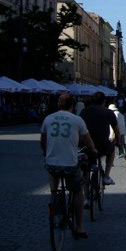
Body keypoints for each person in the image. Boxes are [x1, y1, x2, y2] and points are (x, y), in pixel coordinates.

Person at [40, 93, 97, 239]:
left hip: (51, 163)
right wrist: (94, 151)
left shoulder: (48, 118)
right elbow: (88, 141)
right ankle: (79, 227)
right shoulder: (77, 120)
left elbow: (43, 141)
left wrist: (47, 154)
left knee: (54, 183)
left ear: (58, 104)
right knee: (78, 191)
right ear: (72, 105)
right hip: (70, 164)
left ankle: (54, 201)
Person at [79, 91, 119, 186]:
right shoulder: (109, 112)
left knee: (86, 167)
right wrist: (116, 141)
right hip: (103, 145)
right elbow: (117, 131)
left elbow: (79, 128)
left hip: (86, 145)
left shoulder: (84, 111)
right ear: (104, 101)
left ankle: (85, 197)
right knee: (112, 151)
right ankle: (106, 176)